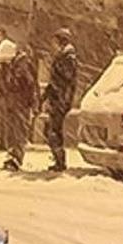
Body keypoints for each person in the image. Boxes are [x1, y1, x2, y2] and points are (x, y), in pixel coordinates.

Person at [0, 39, 37, 172]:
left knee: (18, 132)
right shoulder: (5, 67)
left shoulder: (23, 66)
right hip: (11, 104)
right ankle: (11, 155)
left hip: (21, 104)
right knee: (11, 132)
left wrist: (32, 103)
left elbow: (28, 86)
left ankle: (16, 158)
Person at [42, 28, 78, 173]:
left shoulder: (68, 58)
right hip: (57, 99)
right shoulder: (63, 57)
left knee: (53, 130)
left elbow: (66, 80)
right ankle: (58, 159)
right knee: (51, 130)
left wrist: (60, 97)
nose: (52, 45)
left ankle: (60, 160)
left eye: (55, 41)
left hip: (60, 100)